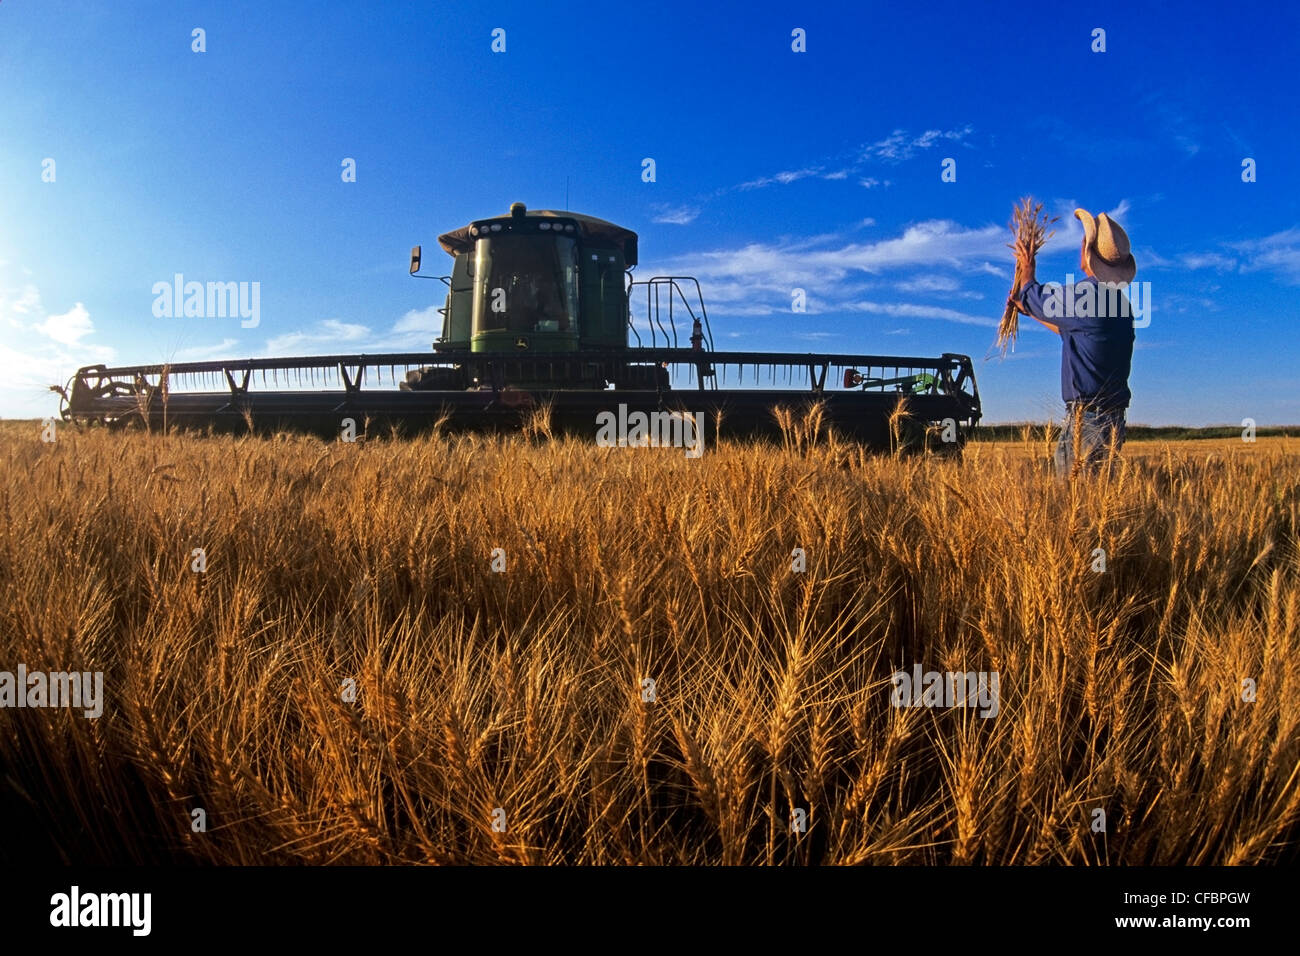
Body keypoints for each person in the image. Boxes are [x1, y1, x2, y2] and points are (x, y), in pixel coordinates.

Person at [1014, 208, 1137, 476]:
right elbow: (1074, 332)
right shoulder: (1121, 305)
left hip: (1088, 419)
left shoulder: (1085, 295)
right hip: (1111, 419)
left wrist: (1027, 270)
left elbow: (1032, 294)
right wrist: (1032, 313)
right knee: (1096, 498)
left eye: (1083, 242)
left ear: (1088, 252)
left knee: (1073, 499)